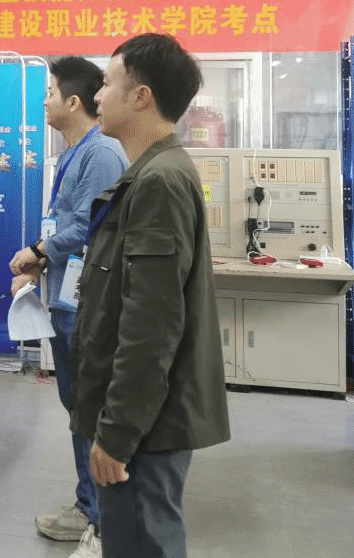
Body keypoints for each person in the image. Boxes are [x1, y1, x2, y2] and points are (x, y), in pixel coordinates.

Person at [70, 33, 231, 558]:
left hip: (146, 427)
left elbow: (151, 326)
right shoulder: (150, 173)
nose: (97, 95)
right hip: (146, 418)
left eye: (107, 83)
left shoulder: (159, 182)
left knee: (140, 542)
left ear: (141, 97)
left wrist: (117, 433)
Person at [8, 56, 128, 558]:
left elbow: (87, 225)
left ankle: (104, 520)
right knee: (79, 408)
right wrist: (42, 260)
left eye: (50, 92)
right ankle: (88, 506)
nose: (44, 101)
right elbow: (67, 222)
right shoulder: (75, 153)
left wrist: (37, 251)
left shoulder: (102, 154)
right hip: (66, 296)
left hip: (87, 303)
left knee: (91, 412)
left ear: (73, 102)